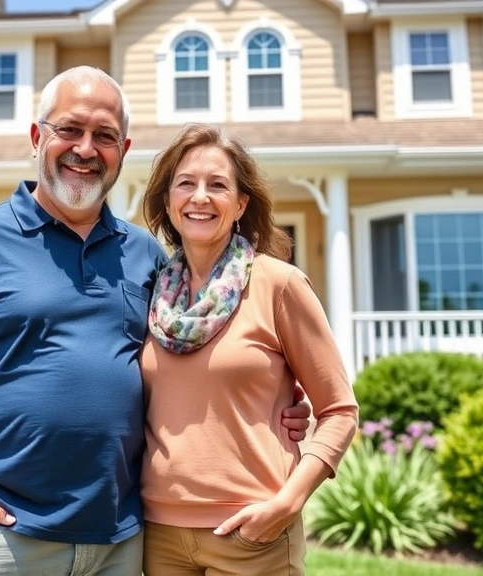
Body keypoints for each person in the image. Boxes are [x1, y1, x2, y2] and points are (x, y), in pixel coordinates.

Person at [0, 67, 312, 575]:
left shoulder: (147, 256)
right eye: (70, 129)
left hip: (123, 540)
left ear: (123, 151)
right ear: (37, 137)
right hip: (6, 538)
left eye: (104, 136)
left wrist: (276, 397)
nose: (86, 149)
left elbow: (191, 364)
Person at [139, 123, 359, 576]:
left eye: (217, 185)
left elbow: (340, 411)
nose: (200, 197)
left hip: (251, 534)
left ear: (240, 204)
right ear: (168, 201)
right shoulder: (153, 293)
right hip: (158, 534)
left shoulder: (279, 284)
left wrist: (287, 503)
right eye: (186, 183)